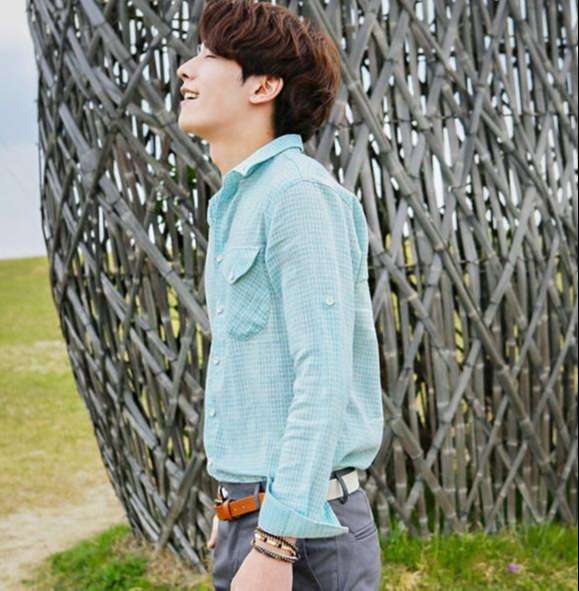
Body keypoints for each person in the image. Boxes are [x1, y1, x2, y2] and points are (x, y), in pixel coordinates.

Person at [177, 1, 384, 589]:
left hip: (300, 537)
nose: (187, 69)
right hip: (255, 515)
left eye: (210, 56)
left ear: (263, 85)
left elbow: (323, 375)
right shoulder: (240, 201)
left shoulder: (297, 196)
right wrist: (237, 506)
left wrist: (274, 541)